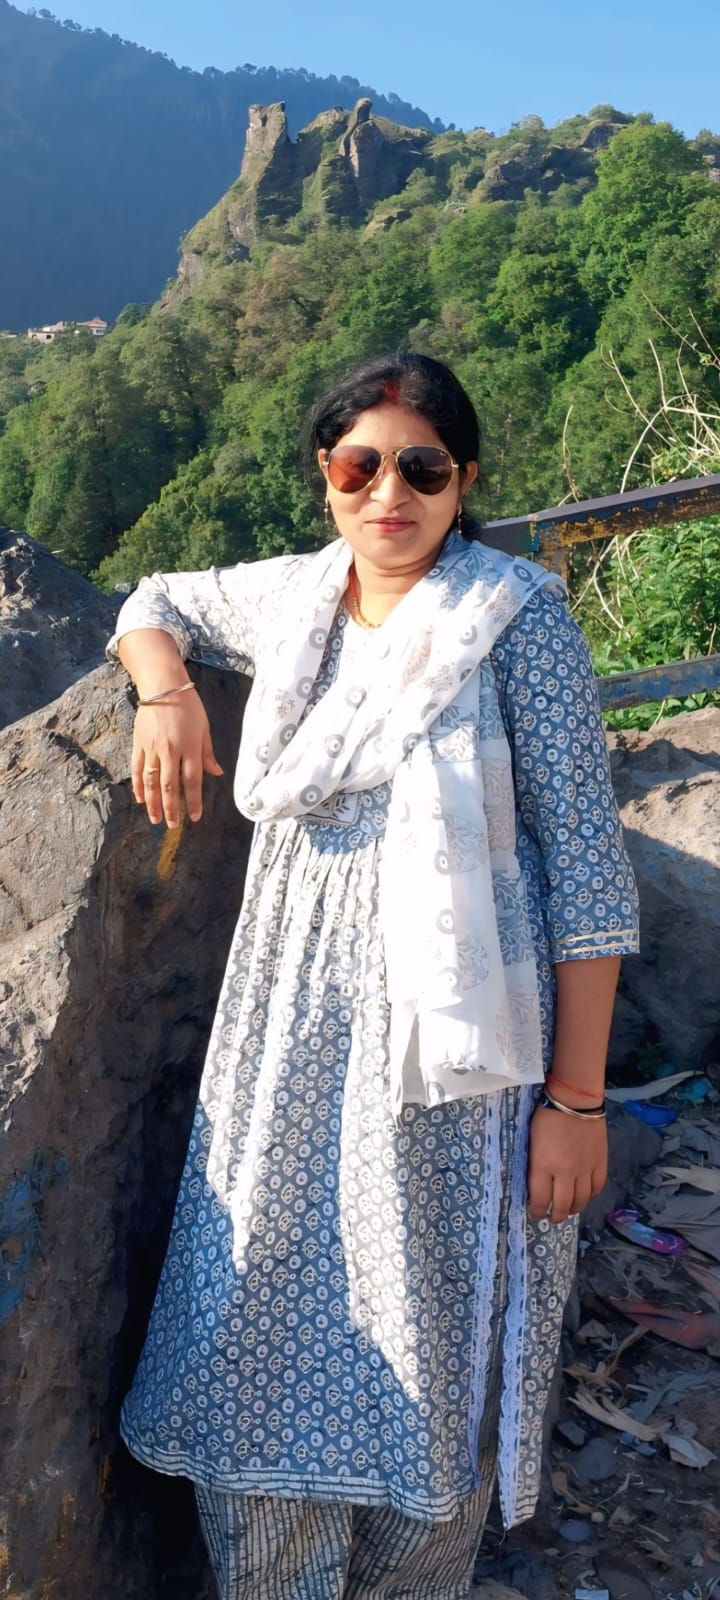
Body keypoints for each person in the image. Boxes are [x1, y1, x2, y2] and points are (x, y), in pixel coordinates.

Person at [108, 351, 639, 1600]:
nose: (387, 493)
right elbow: (152, 598)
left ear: (465, 481)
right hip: (287, 1030)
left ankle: (413, 1576)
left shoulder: (514, 620)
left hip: (454, 1056)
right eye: (359, 466)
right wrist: (165, 691)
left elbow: (588, 873)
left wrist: (577, 1100)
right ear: (325, 475)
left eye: (421, 467)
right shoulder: (294, 600)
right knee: (263, 1307)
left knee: (431, 1320)